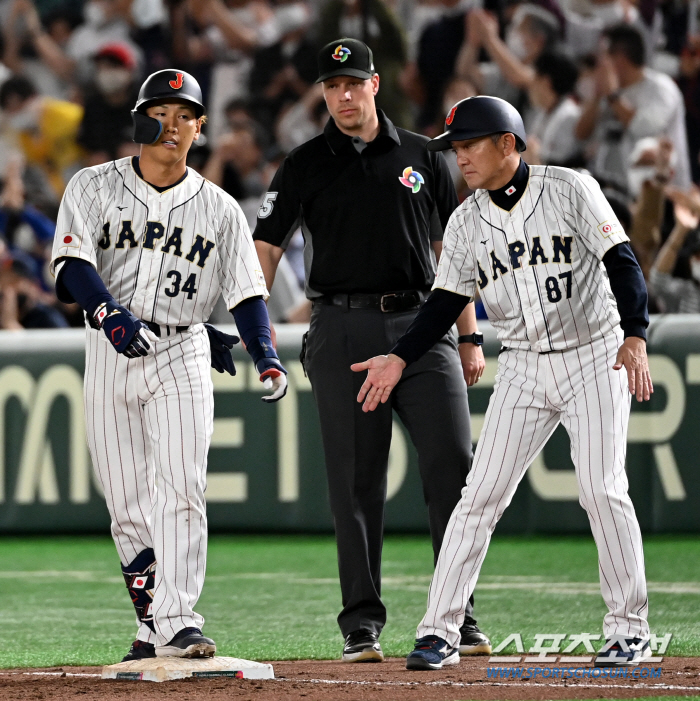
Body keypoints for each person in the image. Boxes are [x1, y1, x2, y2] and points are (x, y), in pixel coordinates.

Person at [352, 95, 654, 671]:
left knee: (601, 487)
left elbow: (622, 261)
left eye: (468, 145)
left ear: (507, 144)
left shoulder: (570, 187)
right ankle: (439, 630)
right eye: (455, 148)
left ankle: (628, 630)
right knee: (478, 497)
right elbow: (445, 303)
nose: (458, 157)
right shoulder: (466, 219)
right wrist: (398, 357)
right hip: (521, 363)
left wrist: (635, 334)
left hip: (594, 353)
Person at [253, 37, 491, 663]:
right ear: (323, 94)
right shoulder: (304, 162)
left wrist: (468, 334)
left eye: (353, 83)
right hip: (342, 328)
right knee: (355, 484)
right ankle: (361, 624)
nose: (343, 95)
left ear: (375, 85)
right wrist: (252, 329)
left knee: (454, 469)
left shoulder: (422, 154)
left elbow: (456, 251)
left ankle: (456, 611)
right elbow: (266, 250)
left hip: (423, 325)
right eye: (332, 87)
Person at [49, 69, 288, 662]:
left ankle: (180, 619)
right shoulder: (93, 185)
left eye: (185, 116)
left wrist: (266, 354)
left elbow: (247, 291)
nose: (172, 126)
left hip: (182, 350)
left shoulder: (220, 208)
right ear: (139, 120)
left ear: (201, 128)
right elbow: (71, 264)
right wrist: (108, 313)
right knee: (127, 503)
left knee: (181, 487)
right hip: (109, 350)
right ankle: (152, 624)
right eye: (160, 112)